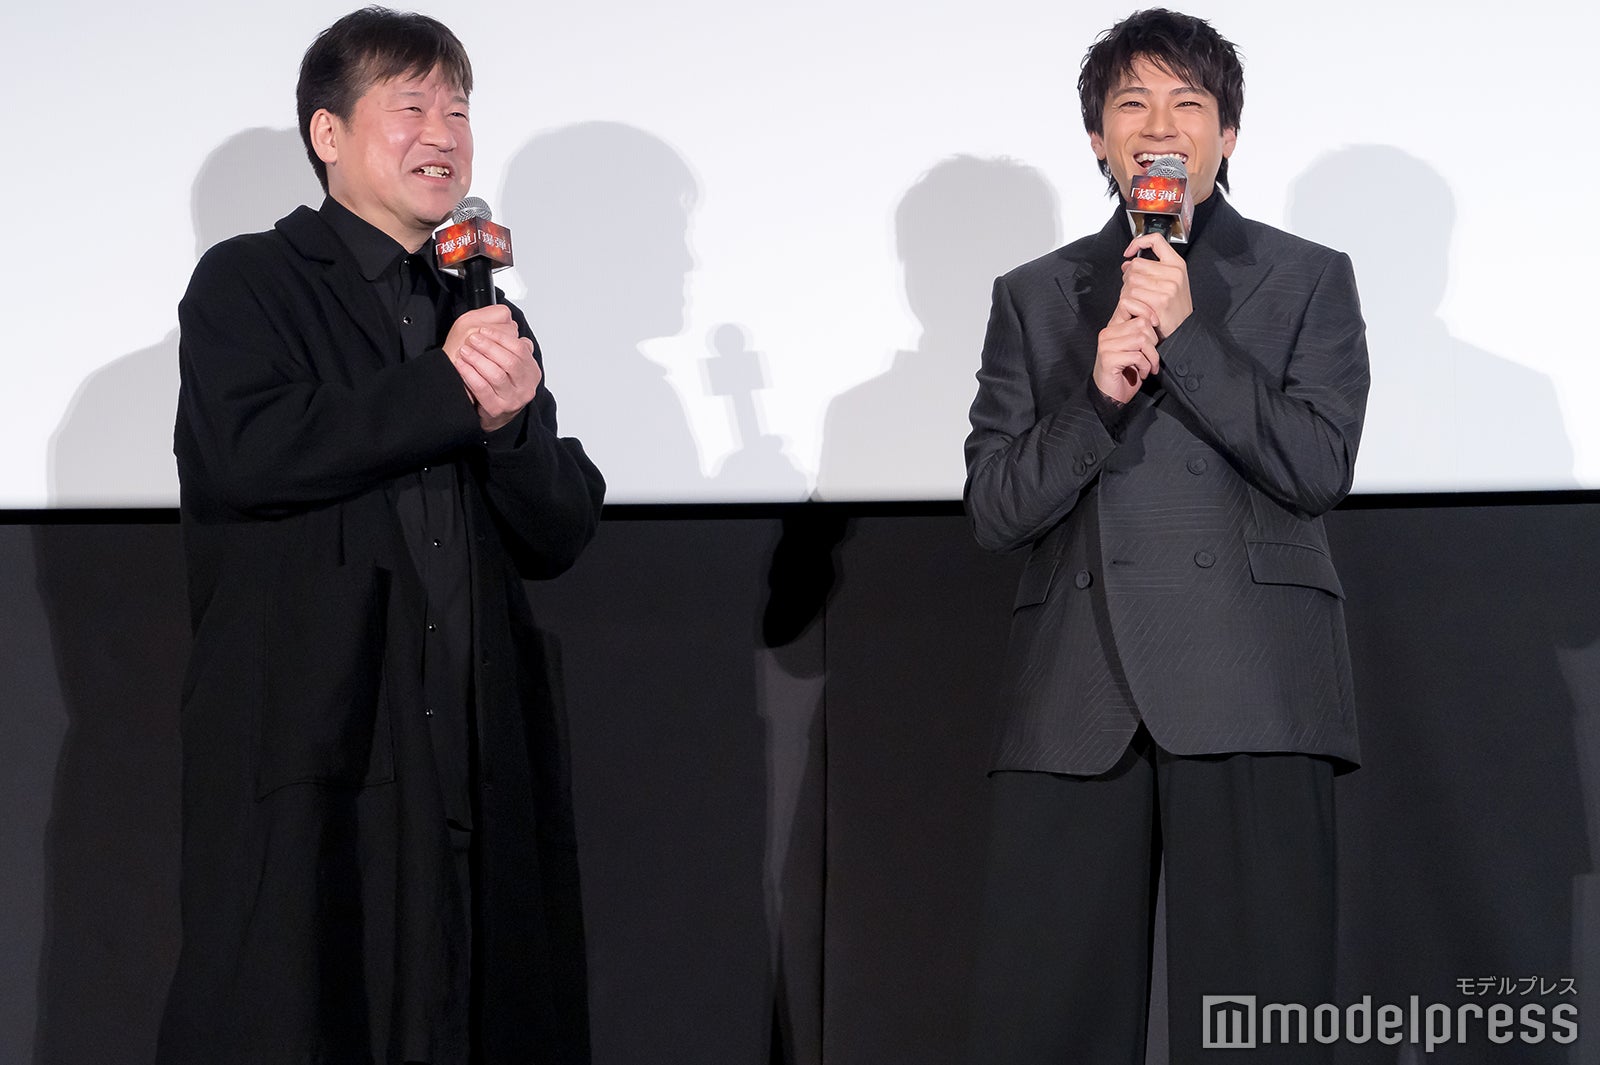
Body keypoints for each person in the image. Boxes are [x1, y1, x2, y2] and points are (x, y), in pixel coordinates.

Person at [157, 8, 604, 1063]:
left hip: (468, 747)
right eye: (412, 107)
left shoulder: (478, 311)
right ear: (328, 133)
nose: (443, 134)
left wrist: (508, 428)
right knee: (308, 1004)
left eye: (459, 110)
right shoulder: (250, 281)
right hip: (320, 743)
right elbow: (255, 450)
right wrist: (448, 391)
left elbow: (557, 527)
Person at [963, 9, 1368, 1063]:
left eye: (1188, 103)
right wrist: (1096, 400)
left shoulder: (1306, 276)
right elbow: (997, 508)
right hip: (1077, 688)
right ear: (1097, 138)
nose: (1158, 126)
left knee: (1260, 1024)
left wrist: (1187, 334)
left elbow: (1317, 468)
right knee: (1044, 1024)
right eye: (1131, 103)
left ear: (1226, 134)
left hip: (1252, 683)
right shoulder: (1035, 295)